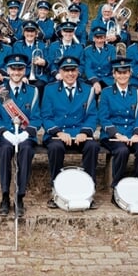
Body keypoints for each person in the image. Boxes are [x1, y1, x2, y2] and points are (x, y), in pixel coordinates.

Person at [40, 56, 101, 209]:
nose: (70, 74)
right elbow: (46, 116)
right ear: (60, 72)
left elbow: (92, 115)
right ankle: (56, 191)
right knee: (55, 148)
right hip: (58, 134)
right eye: (66, 70)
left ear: (78, 71)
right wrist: (59, 133)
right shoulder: (50, 89)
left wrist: (85, 132)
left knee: (93, 146)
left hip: (79, 133)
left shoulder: (88, 90)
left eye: (73, 70)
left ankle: (89, 192)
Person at [0, 54, 42, 218]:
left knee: (26, 150)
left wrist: (26, 133)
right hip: (6, 135)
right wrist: (5, 133)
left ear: (25, 71)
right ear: (8, 70)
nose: (16, 72)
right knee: (4, 150)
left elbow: (37, 118)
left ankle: (19, 196)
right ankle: (5, 196)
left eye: (20, 69)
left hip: (25, 135)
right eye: (13, 69)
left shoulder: (32, 91)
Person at [97, 57, 138, 206]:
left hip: (132, 134)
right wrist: (117, 134)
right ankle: (117, 189)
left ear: (130, 74)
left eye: (125, 72)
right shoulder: (107, 93)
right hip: (112, 136)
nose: (122, 76)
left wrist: (137, 134)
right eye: (119, 73)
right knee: (122, 151)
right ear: (114, 74)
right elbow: (104, 118)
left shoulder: (137, 92)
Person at [12, 20, 49, 97]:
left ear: (36, 33)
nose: (30, 34)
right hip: (21, 75)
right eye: (27, 31)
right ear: (23, 33)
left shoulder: (42, 45)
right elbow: (15, 63)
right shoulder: (17, 45)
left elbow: (49, 60)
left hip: (38, 76)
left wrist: (44, 62)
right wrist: (22, 76)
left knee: (40, 86)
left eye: (32, 31)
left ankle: (38, 104)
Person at [82, 26, 116, 96]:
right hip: (93, 78)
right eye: (97, 38)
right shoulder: (87, 50)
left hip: (107, 79)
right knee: (90, 93)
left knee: (112, 94)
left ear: (105, 38)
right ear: (93, 38)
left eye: (102, 38)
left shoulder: (111, 49)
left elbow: (114, 65)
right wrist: (95, 81)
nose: (99, 41)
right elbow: (88, 68)